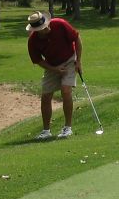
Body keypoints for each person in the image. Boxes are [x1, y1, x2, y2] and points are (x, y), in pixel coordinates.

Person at [26, 10, 82, 139]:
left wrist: (78, 61)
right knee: (46, 96)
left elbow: (77, 38)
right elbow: (38, 60)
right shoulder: (33, 41)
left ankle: (67, 128)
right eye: (43, 28)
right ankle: (46, 131)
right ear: (36, 30)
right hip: (52, 65)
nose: (47, 28)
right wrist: (54, 69)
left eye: (46, 25)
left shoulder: (60, 24)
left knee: (66, 90)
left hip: (69, 59)